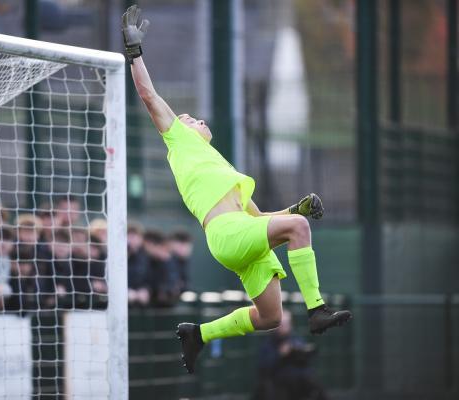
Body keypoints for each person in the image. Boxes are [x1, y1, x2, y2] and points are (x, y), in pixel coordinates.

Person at [121, 5, 352, 374]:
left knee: (271, 317)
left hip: (240, 236)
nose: (196, 119)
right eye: (189, 119)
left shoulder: (221, 166)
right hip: (227, 235)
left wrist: (297, 208)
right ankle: (316, 311)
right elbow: (148, 94)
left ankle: (198, 334)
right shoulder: (178, 140)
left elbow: (259, 219)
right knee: (299, 231)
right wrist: (134, 52)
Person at [254, 309, 327, 400]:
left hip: (300, 379)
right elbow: (264, 367)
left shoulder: (295, 338)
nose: (284, 327)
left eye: (287, 324)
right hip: (279, 381)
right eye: (282, 324)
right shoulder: (269, 342)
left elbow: (304, 360)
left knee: (313, 380)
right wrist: (280, 354)